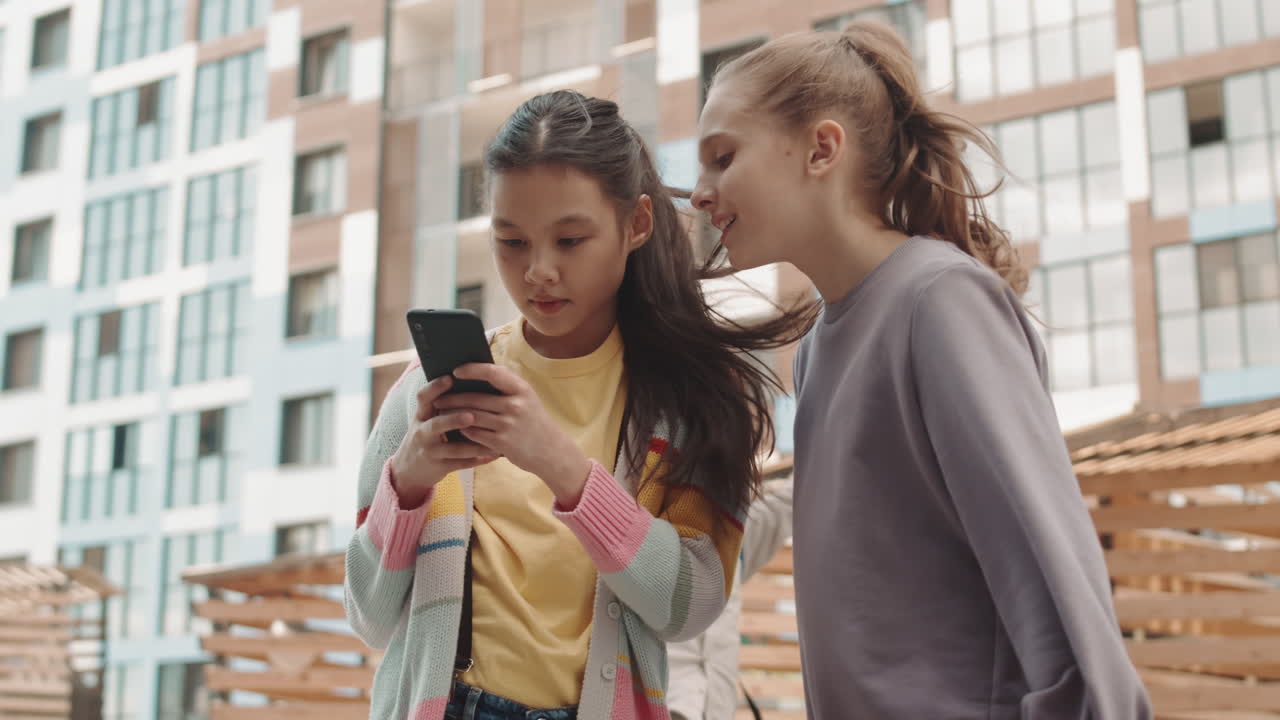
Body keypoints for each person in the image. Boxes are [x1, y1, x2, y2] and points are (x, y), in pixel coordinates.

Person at [691, 20, 1152, 719]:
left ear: (822, 149)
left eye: (722, 158)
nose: (700, 192)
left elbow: (1055, 593)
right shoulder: (819, 349)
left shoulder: (940, 302)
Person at [344, 90, 808, 720]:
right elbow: (368, 618)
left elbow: (689, 606)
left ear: (637, 224)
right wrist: (411, 481)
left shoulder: (690, 402)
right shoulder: (424, 394)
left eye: (569, 240)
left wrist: (562, 467)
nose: (538, 271)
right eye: (511, 242)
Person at [667, 475, 793, 720]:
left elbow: (784, 507)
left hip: (716, 708)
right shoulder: (650, 527)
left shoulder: (733, 538)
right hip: (663, 705)